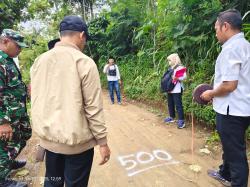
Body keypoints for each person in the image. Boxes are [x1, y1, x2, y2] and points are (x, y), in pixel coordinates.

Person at [31, 15, 110, 187]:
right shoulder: (84, 62)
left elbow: (36, 98)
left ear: (61, 35)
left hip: (49, 142)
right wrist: (102, 142)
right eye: (85, 39)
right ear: (81, 35)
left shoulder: (39, 60)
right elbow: (93, 108)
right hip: (78, 146)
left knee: (52, 182)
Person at [201, 9, 250, 187]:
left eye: (216, 29)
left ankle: (237, 182)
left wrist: (210, 93)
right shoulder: (245, 45)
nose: (215, 33)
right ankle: (225, 173)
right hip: (240, 107)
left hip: (232, 111)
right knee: (230, 145)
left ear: (225, 26)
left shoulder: (232, 48)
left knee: (236, 154)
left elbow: (229, 85)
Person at [0, 29, 32, 187]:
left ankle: (8, 162)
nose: (20, 49)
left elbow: (9, 86)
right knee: (5, 146)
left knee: (23, 136)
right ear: (5, 41)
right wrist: (2, 122)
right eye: (18, 45)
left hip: (16, 113)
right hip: (6, 117)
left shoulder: (8, 60)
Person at [164, 53, 187, 129]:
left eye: (170, 60)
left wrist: (177, 78)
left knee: (178, 105)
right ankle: (171, 116)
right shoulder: (170, 68)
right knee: (170, 104)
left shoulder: (180, 67)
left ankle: (181, 120)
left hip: (176, 89)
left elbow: (184, 77)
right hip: (170, 89)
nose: (169, 62)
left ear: (174, 60)